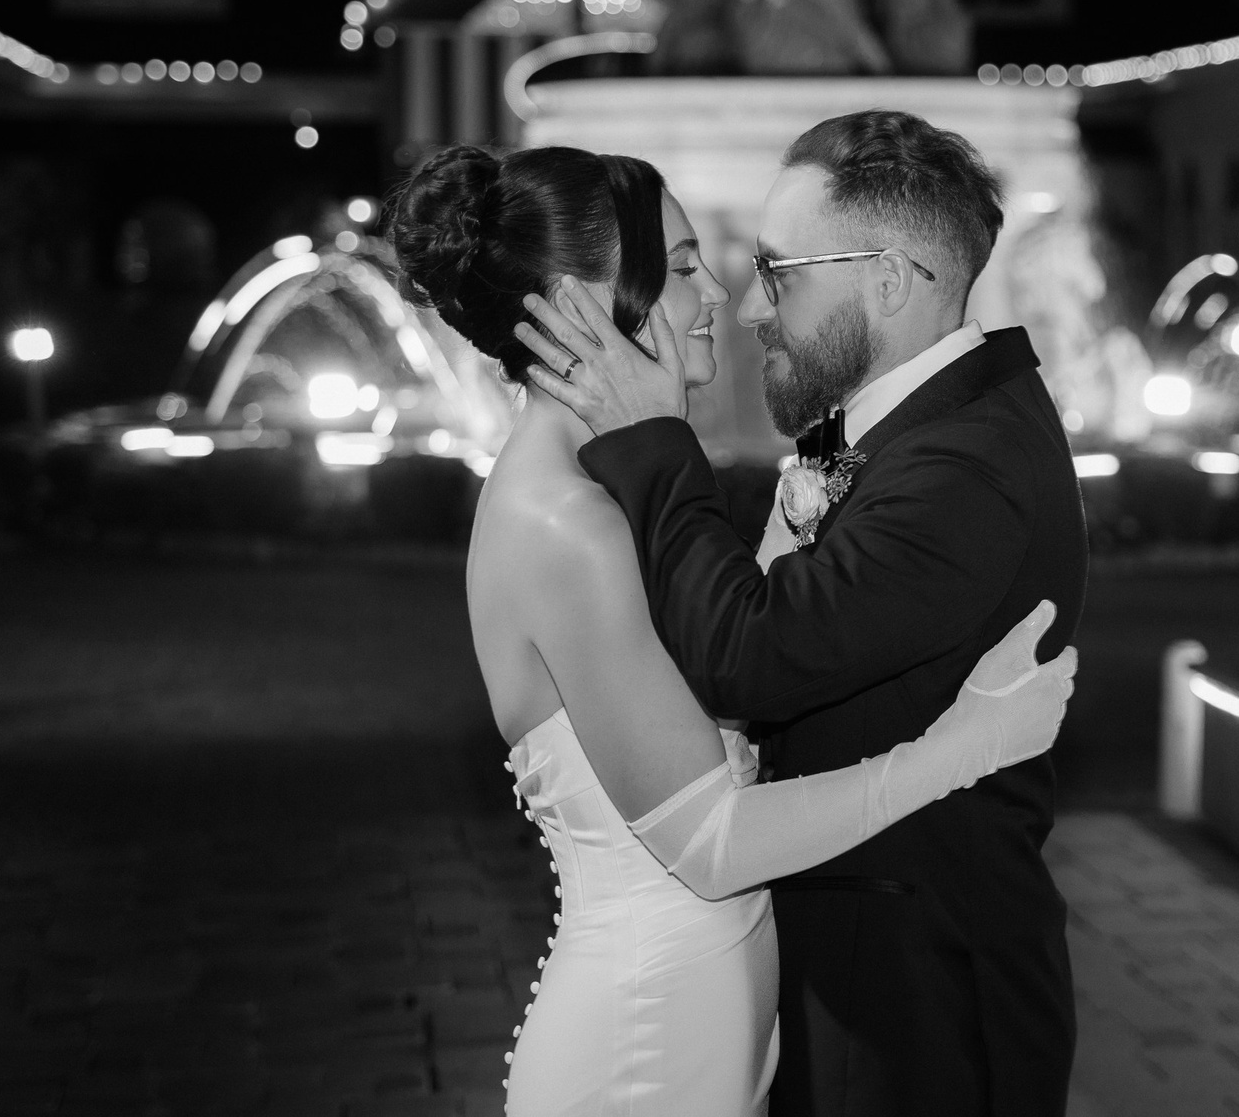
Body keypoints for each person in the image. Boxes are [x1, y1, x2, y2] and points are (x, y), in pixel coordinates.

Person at [384, 143, 1078, 1116]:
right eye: (681, 268)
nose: (719, 295)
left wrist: (803, 500)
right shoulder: (570, 524)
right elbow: (710, 840)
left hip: (709, 1025)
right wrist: (956, 753)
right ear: (582, 302)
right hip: (646, 1046)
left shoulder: (603, 494)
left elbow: (735, 646)